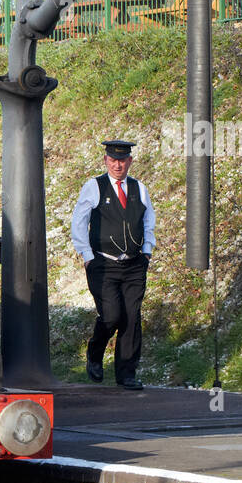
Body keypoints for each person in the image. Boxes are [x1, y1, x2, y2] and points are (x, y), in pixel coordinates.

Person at [70, 139, 156, 390]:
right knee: (111, 315)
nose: (118, 165)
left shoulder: (139, 188)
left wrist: (147, 251)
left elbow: (148, 219)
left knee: (131, 316)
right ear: (106, 161)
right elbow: (79, 221)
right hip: (103, 264)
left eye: (123, 160)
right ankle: (95, 353)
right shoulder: (94, 186)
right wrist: (86, 255)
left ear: (130, 161)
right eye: (113, 160)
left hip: (134, 264)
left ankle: (126, 373)